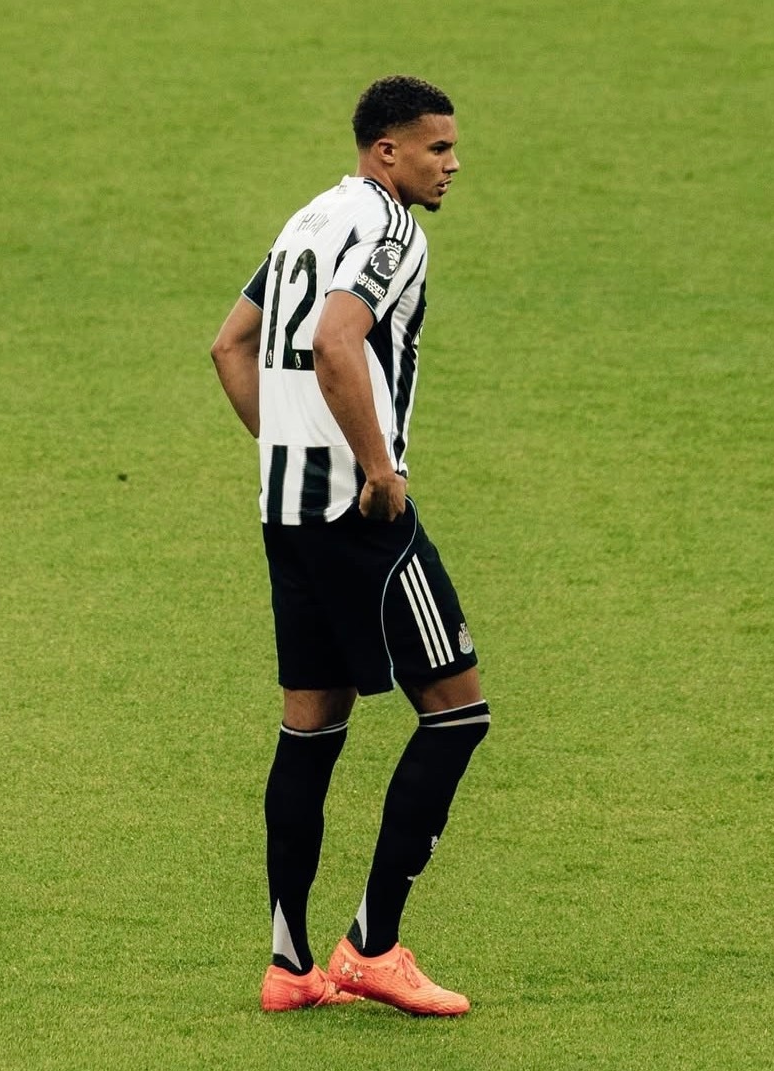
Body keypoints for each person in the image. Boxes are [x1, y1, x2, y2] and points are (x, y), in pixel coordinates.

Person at [210, 75, 490, 1016]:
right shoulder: (391, 229)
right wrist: (377, 469)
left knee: (312, 727)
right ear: (387, 151)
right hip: (357, 516)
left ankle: (289, 967)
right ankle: (372, 947)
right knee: (456, 713)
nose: (452, 165)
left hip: (286, 514)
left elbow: (229, 346)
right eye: (437, 148)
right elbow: (338, 340)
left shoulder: (309, 219)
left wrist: (286, 447)